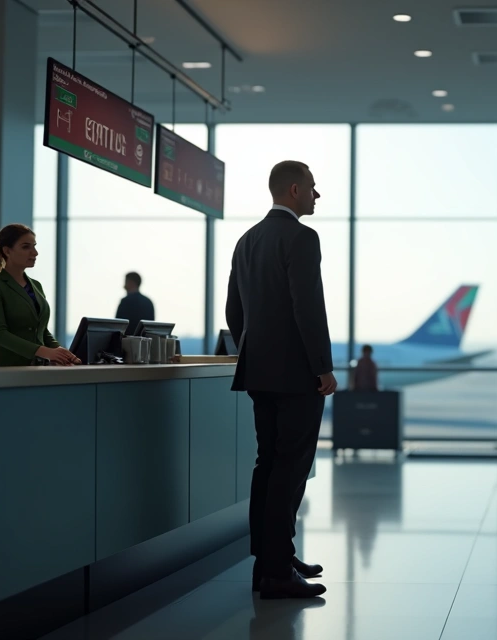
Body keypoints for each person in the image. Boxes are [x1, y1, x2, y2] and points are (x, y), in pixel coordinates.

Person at [226, 160, 335, 600]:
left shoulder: (247, 239)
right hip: (296, 376)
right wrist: (322, 366)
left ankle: (271, 560)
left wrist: (257, 352)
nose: (317, 195)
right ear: (294, 190)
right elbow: (307, 307)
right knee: (289, 471)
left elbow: (235, 311)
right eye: (312, 187)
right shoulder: (302, 237)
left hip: (260, 372)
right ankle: (276, 570)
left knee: (267, 466)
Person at [0, 224, 80, 367]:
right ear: (7, 251)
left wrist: (60, 352)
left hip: (36, 369)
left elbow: (41, 331)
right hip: (6, 369)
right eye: (26, 247)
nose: (35, 252)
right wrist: (43, 351)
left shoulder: (36, 286)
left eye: (34, 246)